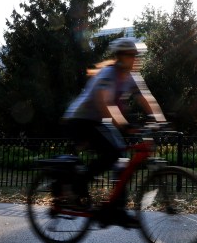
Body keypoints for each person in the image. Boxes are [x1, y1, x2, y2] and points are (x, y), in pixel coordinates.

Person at [63, 37, 165, 227]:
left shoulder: (132, 77)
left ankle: (117, 210)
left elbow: (146, 99)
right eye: (132, 55)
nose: (136, 59)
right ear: (120, 57)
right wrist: (124, 125)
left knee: (122, 160)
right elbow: (104, 103)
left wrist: (160, 119)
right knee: (112, 154)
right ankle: (78, 185)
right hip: (80, 120)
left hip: (99, 121)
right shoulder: (108, 74)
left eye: (137, 55)